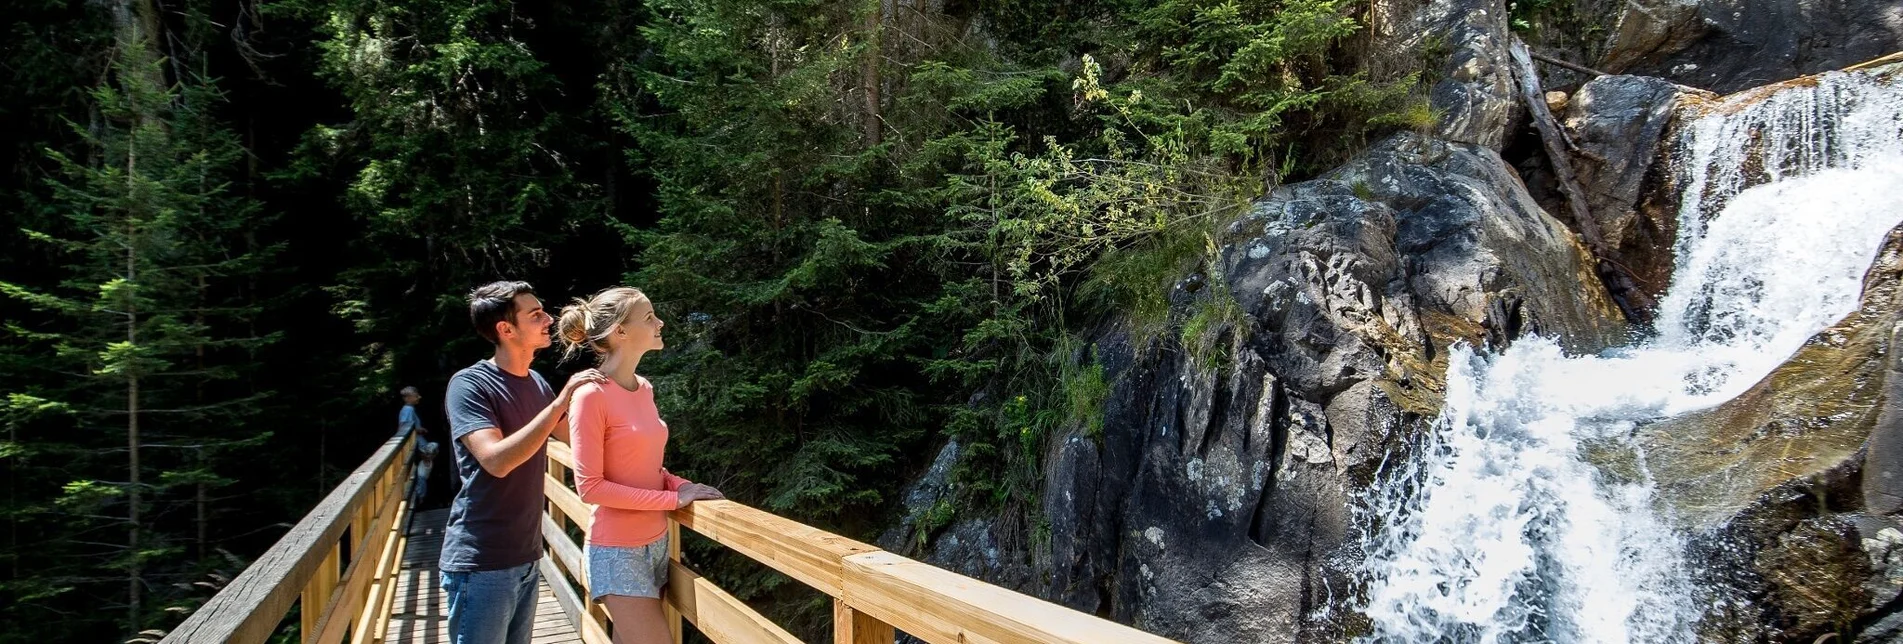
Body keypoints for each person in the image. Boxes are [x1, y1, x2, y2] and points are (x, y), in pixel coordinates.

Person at [441, 281, 605, 644]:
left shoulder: (536, 382)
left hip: (527, 556)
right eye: (536, 315)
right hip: (481, 561)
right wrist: (560, 403)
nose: (549, 319)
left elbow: (583, 443)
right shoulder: (469, 385)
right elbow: (496, 461)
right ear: (506, 329)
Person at [557, 287, 723, 644]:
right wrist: (670, 501)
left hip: (657, 542)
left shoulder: (644, 388)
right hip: (617, 550)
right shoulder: (591, 395)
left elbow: (645, 468)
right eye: (649, 317)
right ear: (620, 331)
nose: (659, 322)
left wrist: (678, 485)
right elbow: (590, 488)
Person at [398, 386, 438, 501]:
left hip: (417, 442)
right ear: (407, 398)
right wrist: (419, 430)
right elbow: (405, 427)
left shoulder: (409, 409)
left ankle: (419, 497)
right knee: (421, 472)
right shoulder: (408, 410)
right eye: (416, 395)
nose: (419, 397)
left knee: (423, 467)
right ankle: (418, 498)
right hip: (415, 444)